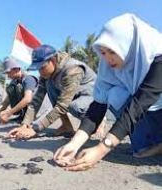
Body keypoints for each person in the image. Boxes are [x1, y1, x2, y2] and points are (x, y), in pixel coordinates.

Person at [54, 13, 162, 171]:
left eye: (112, 51)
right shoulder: (109, 65)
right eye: (103, 52)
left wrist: (101, 149)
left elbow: (140, 102)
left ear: (128, 45)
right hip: (149, 108)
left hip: (152, 103)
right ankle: (155, 143)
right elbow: (98, 105)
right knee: (115, 94)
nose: (107, 58)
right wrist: (74, 144)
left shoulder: (156, 53)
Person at [8, 44, 104, 139]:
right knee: (49, 85)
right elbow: (36, 100)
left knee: (75, 106)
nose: (40, 72)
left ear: (53, 60)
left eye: (42, 67)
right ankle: (67, 126)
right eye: (38, 69)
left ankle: (98, 121)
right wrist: (24, 125)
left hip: (95, 99)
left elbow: (62, 106)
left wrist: (35, 129)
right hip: (74, 95)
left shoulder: (72, 69)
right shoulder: (46, 75)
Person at [0, 57, 38, 124]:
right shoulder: (15, 81)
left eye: (8, 72)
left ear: (16, 69)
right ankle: (23, 115)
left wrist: (8, 113)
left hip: (37, 111)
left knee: (18, 87)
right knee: (11, 87)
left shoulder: (28, 78)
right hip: (28, 110)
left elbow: (27, 99)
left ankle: (31, 117)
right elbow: (7, 100)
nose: (7, 76)